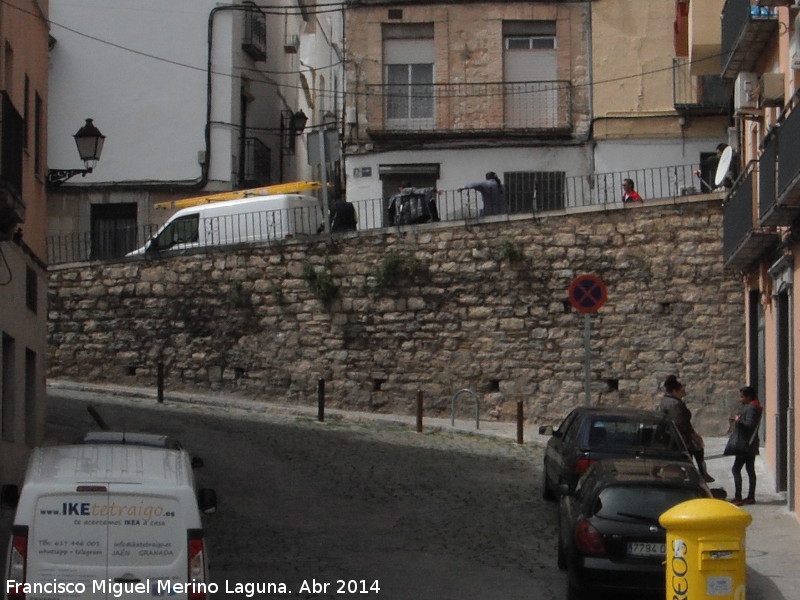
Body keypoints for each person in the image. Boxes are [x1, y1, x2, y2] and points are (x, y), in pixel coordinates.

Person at [657, 374, 715, 482]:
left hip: (672, 435)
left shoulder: (665, 400)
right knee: (694, 452)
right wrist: (690, 436)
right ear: (674, 391)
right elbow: (680, 422)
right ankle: (700, 474)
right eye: (680, 392)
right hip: (680, 437)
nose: (682, 394)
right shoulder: (675, 404)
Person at [725, 386, 763, 506]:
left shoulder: (752, 408)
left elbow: (749, 425)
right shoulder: (754, 406)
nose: (740, 399)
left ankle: (738, 497)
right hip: (749, 444)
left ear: (748, 397)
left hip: (745, 444)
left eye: (742, 396)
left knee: (736, 469)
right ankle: (750, 496)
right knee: (750, 469)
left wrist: (738, 421)